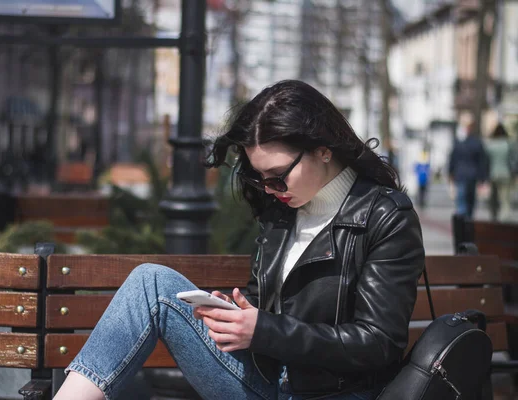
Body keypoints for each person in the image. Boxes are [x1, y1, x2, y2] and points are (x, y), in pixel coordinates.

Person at [53, 80, 425, 400]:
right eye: (261, 178)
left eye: (279, 175)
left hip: (337, 392)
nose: (270, 189)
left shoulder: (385, 215)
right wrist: (239, 314)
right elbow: (268, 308)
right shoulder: (283, 209)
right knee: (150, 282)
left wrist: (264, 330)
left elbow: (379, 343)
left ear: (323, 149)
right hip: (268, 381)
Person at [448, 117, 489, 219]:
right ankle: (468, 220)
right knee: (470, 200)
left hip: (461, 174)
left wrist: (451, 172)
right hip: (472, 175)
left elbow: (453, 158)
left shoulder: (459, 142)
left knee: (462, 200)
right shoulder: (476, 142)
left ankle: (463, 222)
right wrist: (483, 177)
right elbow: (482, 161)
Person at [485, 123, 514, 221]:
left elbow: (486, 161)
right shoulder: (508, 144)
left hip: (493, 173)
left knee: (493, 198)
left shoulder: (490, 145)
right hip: (506, 173)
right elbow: (513, 159)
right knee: (505, 197)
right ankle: (505, 217)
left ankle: (494, 215)